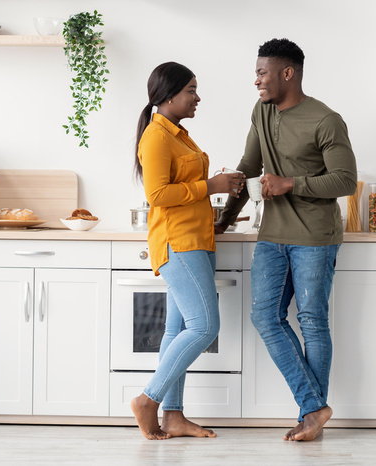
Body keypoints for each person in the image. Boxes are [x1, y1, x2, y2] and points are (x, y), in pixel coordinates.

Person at [214, 39, 357, 441]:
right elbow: (248, 167)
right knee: (265, 317)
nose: (255, 79)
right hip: (272, 235)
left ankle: (309, 417)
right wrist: (224, 219)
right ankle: (315, 409)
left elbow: (345, 180)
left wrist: (290, 183)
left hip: (315, 236)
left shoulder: (326, 119)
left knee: (312, 322)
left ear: (287, 73)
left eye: (262, 72)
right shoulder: (261, 112)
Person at [131, 62, 245, 440]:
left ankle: (174, 415)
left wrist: (213, 193)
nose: (197, 97)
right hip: (177, 243)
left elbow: (184, 185)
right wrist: (211, 184)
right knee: (204, 326)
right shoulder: (156, 137)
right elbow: (157, 195)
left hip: (197, 238)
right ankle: (148, 400)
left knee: (177, 328)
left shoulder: (179, 134)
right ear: (168, 95)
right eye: (191, 90)